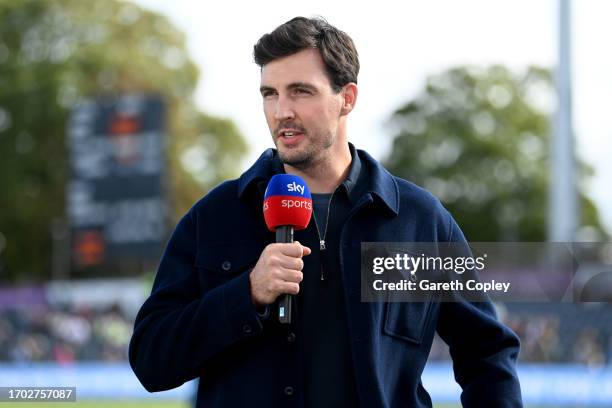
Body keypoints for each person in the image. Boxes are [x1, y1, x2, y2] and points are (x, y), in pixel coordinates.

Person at [129, 16, 523, 407]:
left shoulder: (418, 221)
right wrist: (246, 294)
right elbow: (151, 360)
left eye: (300, 91)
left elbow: (487, 353)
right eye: (270, 93)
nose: (282, 110)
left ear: (346, 98)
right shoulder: (215, 216)